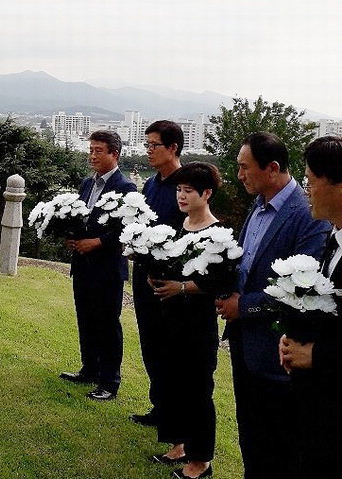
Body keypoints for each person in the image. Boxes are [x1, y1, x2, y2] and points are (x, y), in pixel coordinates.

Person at [215, 132, 329, 479]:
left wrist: (244, 307)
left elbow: (301, 289)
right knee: (250, 434)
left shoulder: (306, 214)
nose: (239, 175)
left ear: (273, 168)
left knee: (279, 444)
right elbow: (248, 264)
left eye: (244, 167)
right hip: (244, 343)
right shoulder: (260, 202)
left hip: (276, 352)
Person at [148, 163, 229, 479]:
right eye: (178, 190)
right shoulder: (182, 225)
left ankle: (201, 461)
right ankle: (179, 446)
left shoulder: (218, 234)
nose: (181, 196)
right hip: (172, 319)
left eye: (188, 191)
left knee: (197, 391)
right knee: (174, 384)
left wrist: (181, 287)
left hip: (197, 326)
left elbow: (219, 281)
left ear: (206, 193)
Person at [279, 135, 341, 479]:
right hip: (317, 404)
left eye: (311, 182)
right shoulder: (333, 238)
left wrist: (317, 355)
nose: (307, 191)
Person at [59, 130, 136, 401]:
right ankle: (89, 369)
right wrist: (72, 236)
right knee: (86, 319)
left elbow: (126, 229)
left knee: (107, 324)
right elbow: (81, 218)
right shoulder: (86, 184)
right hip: (82, 265)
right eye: (90, 150)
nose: (92, 155)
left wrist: (98, 243)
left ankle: (109, 381)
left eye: (98, 151)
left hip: (107, 268)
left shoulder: (126, 188)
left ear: (114, 154)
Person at [130, 120, 186, 426]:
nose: (149, 151)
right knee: (150, 343)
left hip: (172, 280)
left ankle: (174, 413)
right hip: (144, 273)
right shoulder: (151, 184)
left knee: (170, 348)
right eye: (147, 145)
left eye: (154, 145)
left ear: (173, 148)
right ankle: (159, 406)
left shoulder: (186, 183)